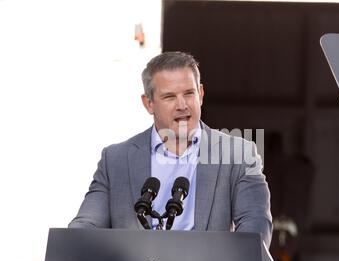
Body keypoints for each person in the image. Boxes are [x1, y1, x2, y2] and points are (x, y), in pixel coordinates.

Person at [68, 51, 273, 246]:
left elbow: (255, 224)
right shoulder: (115, 160)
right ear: (149, 103)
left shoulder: (239, 154)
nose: (182, 105)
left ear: (201, 94)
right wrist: (70, 247)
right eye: (169, 97)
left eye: (189, 93)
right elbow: (87, 224)